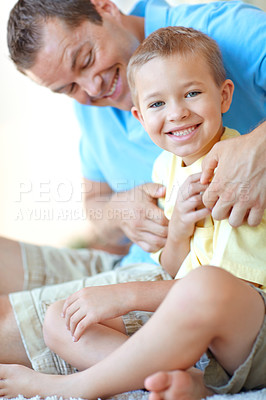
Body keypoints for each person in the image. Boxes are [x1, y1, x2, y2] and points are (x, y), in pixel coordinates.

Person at [0, 0, 265, 383]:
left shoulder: (220, 30)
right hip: (137, 264)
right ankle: (168, 375)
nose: (92, 88)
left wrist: (258, 148)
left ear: (105, 8)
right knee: (62, 318)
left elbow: (202, 282)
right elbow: (96, 213)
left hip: (182, 284)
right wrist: (120, 211)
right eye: (69, 87)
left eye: (86, 58)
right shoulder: (98, 109)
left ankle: (88, 383)